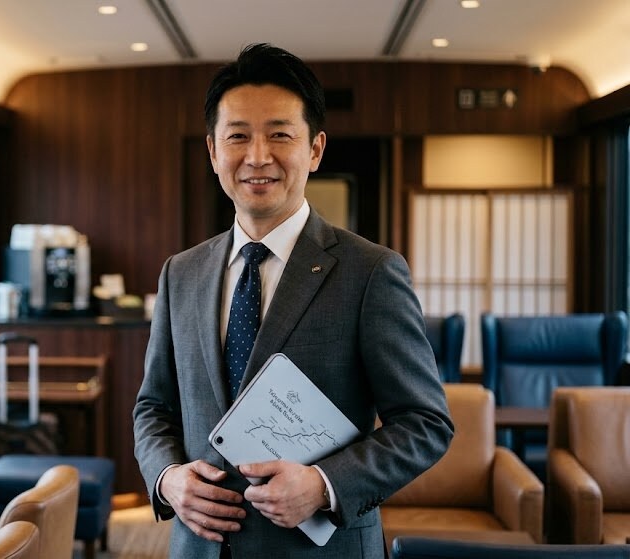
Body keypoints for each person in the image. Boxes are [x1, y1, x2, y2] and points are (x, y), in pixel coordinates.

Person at [132, 43, 454, 558]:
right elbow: (154, 406)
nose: (258, 156)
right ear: (214, 151)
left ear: (316, 149)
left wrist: (325, 484)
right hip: (199, 547)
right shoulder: (181, 273)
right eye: (237, 136)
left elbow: (426, 423)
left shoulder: (370, 272)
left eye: (280, 134)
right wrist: (167, 477)